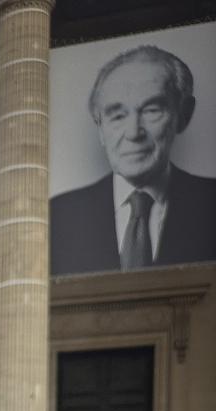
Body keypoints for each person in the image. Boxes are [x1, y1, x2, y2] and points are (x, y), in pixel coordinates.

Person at [51, 45, 216, 275]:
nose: (133, 133)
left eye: (151, 110)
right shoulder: (57, 217)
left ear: (183, 115)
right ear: (100, 129)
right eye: (117, 116)